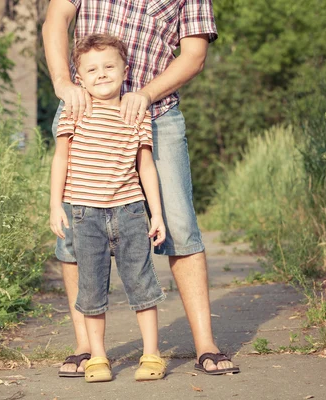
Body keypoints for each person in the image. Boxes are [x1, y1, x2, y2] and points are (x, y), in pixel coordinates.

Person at [42, 0, 241, 376]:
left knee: (179, 224)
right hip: (83, 108)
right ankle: (86, 347)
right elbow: (57, 18)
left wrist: (145, 94)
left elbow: (194, 55)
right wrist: (63, 82)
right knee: (75, 230)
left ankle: (205, 345)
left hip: (155, 112)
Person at [50, 33, 167, 383]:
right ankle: (98, 357)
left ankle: (152, 354)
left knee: (142, 283)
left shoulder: (136, 112)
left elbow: (146, 165)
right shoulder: (75, 109)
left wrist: (156, 212)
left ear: (125, 70)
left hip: (130, 211)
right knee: (90, 289)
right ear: (79, 78)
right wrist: (56, 205)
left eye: (109, 66)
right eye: (91, 69)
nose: (101, 74)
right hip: (85, 214)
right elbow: (61, 158)